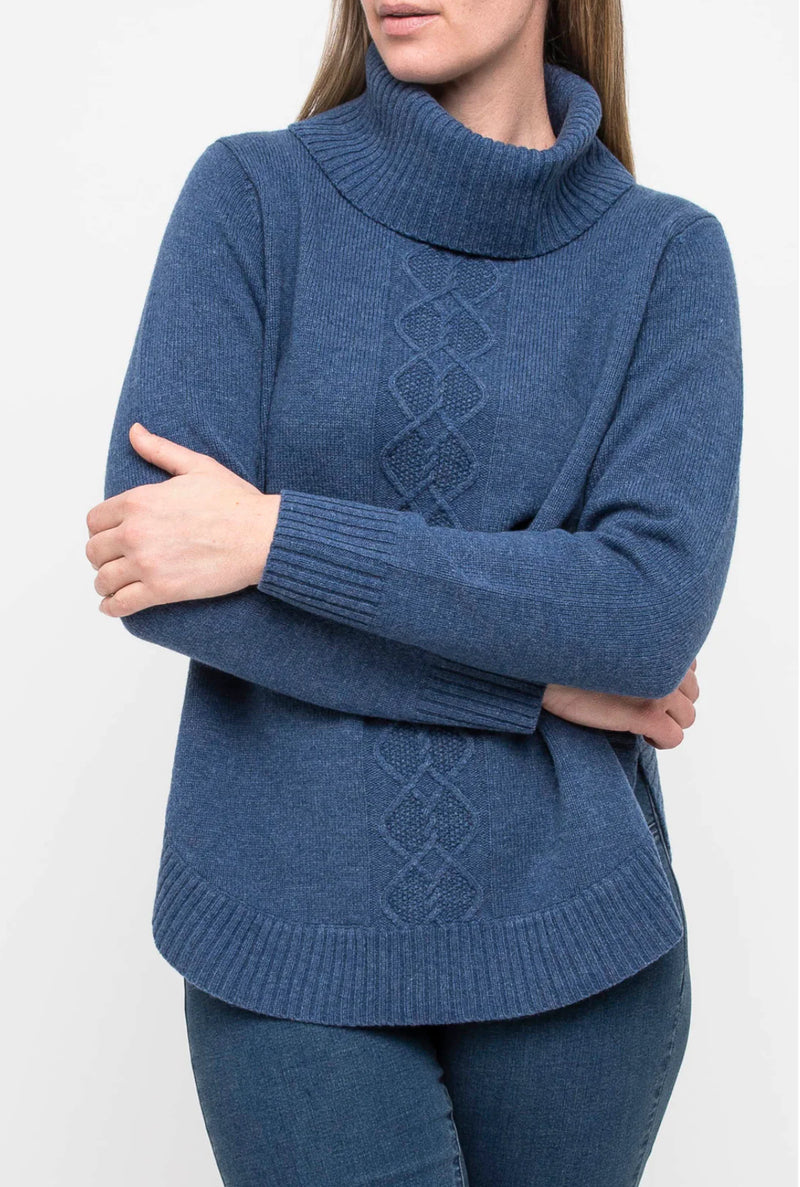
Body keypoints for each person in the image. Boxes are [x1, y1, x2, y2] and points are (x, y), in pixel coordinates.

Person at [85, 0, 743, 1182]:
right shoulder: (252, 197)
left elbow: (644, 615)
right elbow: (161, 569)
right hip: (284, 936)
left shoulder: (663, 256)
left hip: (579, 947)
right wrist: (534, 684)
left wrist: (276, 537)